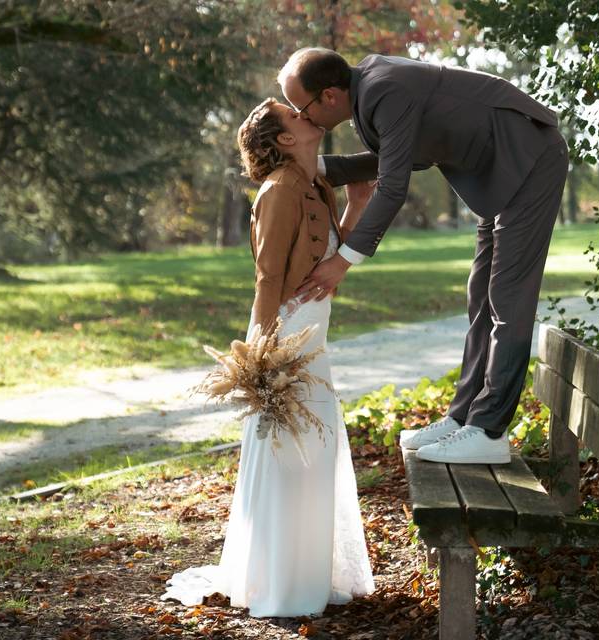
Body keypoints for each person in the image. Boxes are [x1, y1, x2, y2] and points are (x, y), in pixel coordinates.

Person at [277, 49, 569, 465]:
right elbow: (396, 157)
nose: (299, 117)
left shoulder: (382, 89)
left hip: (527, 158)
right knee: (480, 296)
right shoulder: (370, 89)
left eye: (298, 107)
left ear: (327, 96)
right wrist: (318, 167)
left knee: (508, 297)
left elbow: (392, 185)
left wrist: (342, 261)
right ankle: (464, 416)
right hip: (499, 170)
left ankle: (488, 431)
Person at [160, 98, 376, 617]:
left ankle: (309, 572)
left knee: (314, 455)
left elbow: (325, 256)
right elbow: (268, 279)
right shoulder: (277, 193)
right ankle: (280, 582)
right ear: (284, 140)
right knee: (289, 454)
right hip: (287, 342)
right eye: (294, 114)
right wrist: (260, 359)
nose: (307, 114)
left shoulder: (312, 183)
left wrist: (358, 201)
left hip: (314, 341)